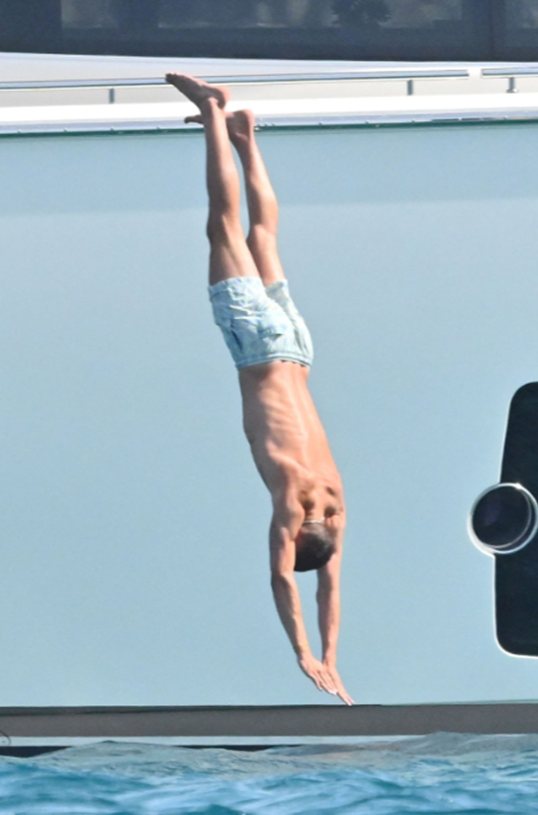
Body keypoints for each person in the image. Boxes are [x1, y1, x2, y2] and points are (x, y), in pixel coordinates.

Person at [166, 73, 353, 705]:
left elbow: (330, 585)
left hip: (299, 350)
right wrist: (303, 653)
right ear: (300, 531)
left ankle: (245, 136)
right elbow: (285, 582)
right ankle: (213, 111)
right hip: (259, 347)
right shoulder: (293, 501)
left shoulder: (335, 503)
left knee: (264, 238)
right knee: (223, 228)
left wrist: (333, 652)